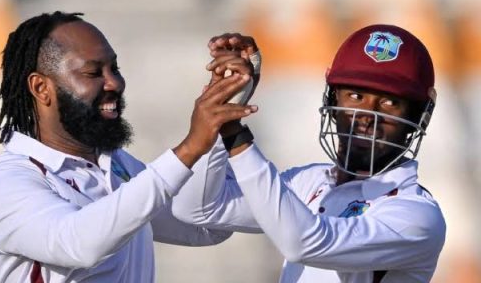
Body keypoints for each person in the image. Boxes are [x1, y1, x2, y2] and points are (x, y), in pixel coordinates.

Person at [0, 11, 258, 282]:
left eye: (115, 68)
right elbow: (79, 244)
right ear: (40, 88)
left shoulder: (115, 164)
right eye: (93, 73)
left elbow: (205, 225)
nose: (115, 83)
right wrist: (190, 148)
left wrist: (223, 109)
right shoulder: (8, 180)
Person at [173, 25, 447, 282]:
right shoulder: (310, 182)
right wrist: (223, 106)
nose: (368, 116)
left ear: (418, 117)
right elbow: (197, 208)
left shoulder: (416, 216)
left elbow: (302, 243)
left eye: (390, 102)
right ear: (331, 99)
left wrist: (235, 135)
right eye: (355, 96)